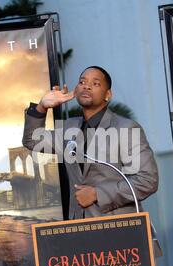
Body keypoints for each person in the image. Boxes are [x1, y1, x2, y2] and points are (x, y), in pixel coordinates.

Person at [22, 66, 159, 219]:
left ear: (108, 95)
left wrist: (97, 194)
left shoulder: (125, 128)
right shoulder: (69, 128)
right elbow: (32, 140)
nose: (86, 86)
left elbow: (147, 181)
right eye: (82, 82)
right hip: (80, 229)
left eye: (95, 83)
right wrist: (42, 107)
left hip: (119, 228)